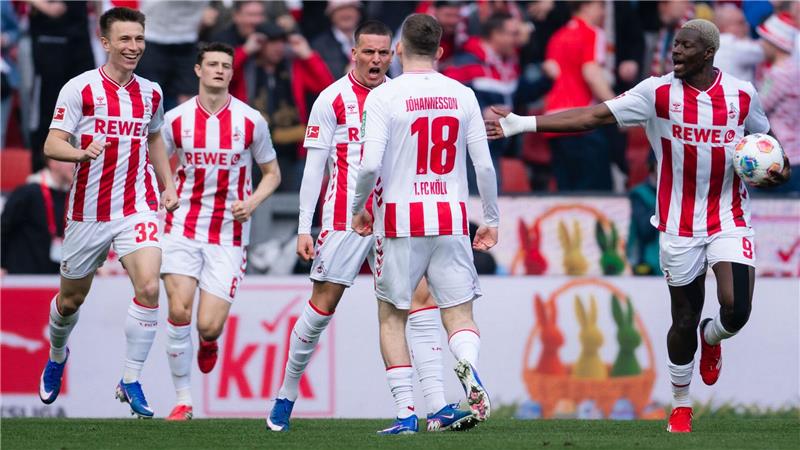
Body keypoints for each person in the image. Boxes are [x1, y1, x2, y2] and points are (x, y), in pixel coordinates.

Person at [486, 19, 791, 433]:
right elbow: (592, 117)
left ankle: (713, 337)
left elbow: (766, 144)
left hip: (729, 218)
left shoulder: (741, 94)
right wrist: (521, 123)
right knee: (683, 318)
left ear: (708, 53)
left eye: (686, 46)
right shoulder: (656, 92)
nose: (676, 52)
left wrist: (779, 168)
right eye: (675, 44)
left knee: (737, 310)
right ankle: (681, 405)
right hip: (677, 224)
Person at [267, 19, 472, 434]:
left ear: (393, 53)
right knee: (322, 306)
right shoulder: (331, 99)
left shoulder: (402, 95)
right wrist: (305, 227)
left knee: (418, 298)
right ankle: (286, 395)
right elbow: (314, 168)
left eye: (383, 52)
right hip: (345, 219)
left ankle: (435, 405)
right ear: (354, 53)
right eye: (369, 52)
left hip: (394, 217)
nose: (376, 60)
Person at [351, 14, 499, 434]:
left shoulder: (385, 97)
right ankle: (467, 365)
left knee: (392, 316)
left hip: (401, 218)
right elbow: (484, 167)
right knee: (458, 311)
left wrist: (359, 207)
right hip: (450, 216)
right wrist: (489, 219)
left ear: (397, 49)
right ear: (440, 51)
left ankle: (405, 415)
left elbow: (370, 165)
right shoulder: (463, 95)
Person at [37, 7, 179, 419]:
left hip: (138, 204)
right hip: (88, 211)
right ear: (105, 42)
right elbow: (52, 143)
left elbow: (154, 138)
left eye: (139, 39)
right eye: (125, 40)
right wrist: (81, 152)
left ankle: (130, 378)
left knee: (150, 287)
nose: (133, 47)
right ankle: (57, 354)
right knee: (69, 301)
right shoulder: (80, 89)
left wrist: (168, 185)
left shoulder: (151, 92)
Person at [159, 42, 281, 421]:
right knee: (178, 309)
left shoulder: (251, 121)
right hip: (181, 226)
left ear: (232, 72)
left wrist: (253, 202)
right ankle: (183, 400)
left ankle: (208, 342)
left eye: (225, 65)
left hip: (228, 234)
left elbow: (273, 174)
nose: (218, 70)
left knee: (208, 325)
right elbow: (154, 164)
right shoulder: (175, 120)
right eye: (211, 64)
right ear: (198, 70)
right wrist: (166, 188)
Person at [1, 158, 73, 274]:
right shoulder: (27, 192)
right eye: (70, 160)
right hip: (23, 276)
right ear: (53, 163)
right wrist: (1, 264)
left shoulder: (70, 197)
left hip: (55, 276)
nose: (75, 165)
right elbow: (3, 228)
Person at [755, 12, 799, 193]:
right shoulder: (794, 69)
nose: (761, 45)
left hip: (782, 157)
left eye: (764, 40)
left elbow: (758, 108)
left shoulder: (778, 75)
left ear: (775, 43)